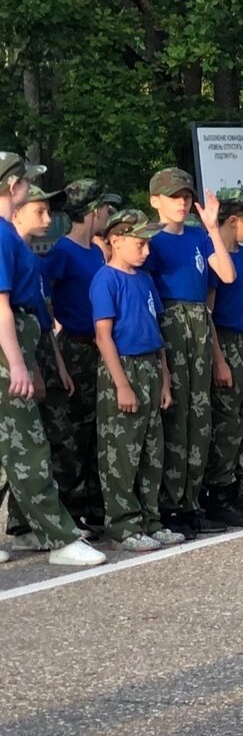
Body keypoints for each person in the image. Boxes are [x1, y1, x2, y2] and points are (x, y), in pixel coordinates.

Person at [0, 158, 105, 568]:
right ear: (12, 187)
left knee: (8, 445)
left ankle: (27, 529)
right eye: (26, 181)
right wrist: (19, 364)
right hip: (12, 343)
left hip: (27, 337)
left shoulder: (10, 234)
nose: (31, 187)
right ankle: (59, 538)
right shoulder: (2, 235)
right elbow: (3, 307)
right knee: (27, 444)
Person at [145, 167, 236, 537]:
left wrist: (213, 228)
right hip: (170, 319)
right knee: (175, 417)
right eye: (173, 197)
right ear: (155, 201)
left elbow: (226, 275)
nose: (181, 203)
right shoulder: (150, 241)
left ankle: (191, 501)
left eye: (185, 197)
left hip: (199, 319)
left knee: (199, 418)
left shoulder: (200, 237)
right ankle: (169, 504)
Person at [90, 211, 185, 552]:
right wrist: (122, 385)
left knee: (151, 450)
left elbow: (155, 332)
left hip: (149, 366)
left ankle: (150, 519)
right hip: (124, 368)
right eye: (140, 244)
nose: (146, 251)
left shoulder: (144, 279)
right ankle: (122, 524)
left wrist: (164, 380)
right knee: (122, 453)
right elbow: (103, 337)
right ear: (116, 240)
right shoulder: (106, 279)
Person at [39, 180, 113, 532]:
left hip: (100, 347)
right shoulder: (61, 253)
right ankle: (70, 509)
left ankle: (95, 505)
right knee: (73, 432)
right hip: (75, 346)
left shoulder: (96, 252)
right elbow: (42, 296)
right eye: (105, 209)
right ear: (93, 211)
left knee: (98, 429)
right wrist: (57, 346)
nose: (108, 215)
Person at [203, 187, 243, 528]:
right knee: (226, 422)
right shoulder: (215, 257)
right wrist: (218, 359)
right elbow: (208, 313)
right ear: (232, 220)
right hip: (224, 342)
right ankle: (221, 492)